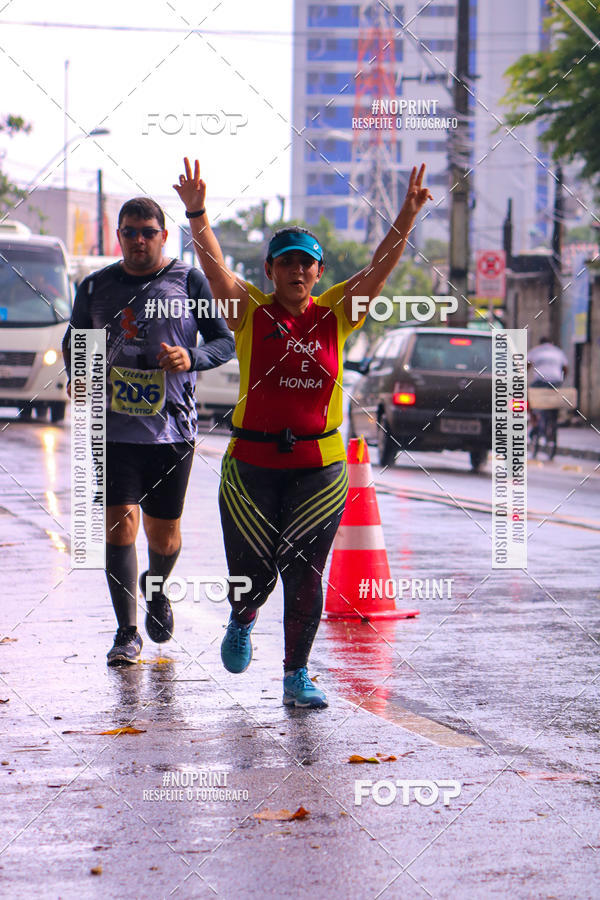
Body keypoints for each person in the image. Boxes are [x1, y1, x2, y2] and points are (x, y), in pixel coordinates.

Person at [174, 158, 432, 708]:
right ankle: (243, 616)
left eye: (307, 265)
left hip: (320, 469)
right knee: (253, 575)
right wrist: (197, 213)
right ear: (270, 270)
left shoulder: (338, 312)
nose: (297, 272)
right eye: (287, 263)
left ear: (318, 273)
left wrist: (406, 217)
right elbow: (215, 266)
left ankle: (296, 675)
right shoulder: (248, 311)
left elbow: (379, 269)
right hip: (250, 470)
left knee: (304, 573)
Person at [62, 197, 235, 665]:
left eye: (147, 231)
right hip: (114, 431)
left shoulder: (188, 280)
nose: (138, 239)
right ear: (118, 236)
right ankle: (126, 633)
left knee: (164, 538)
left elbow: (224, 341)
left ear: (163, 235)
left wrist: (192, 357)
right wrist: (78, 372)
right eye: (129, 231)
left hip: (172, 431)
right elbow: (76, 341)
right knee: (120, 527)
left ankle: (156, 590)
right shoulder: (96, 285)